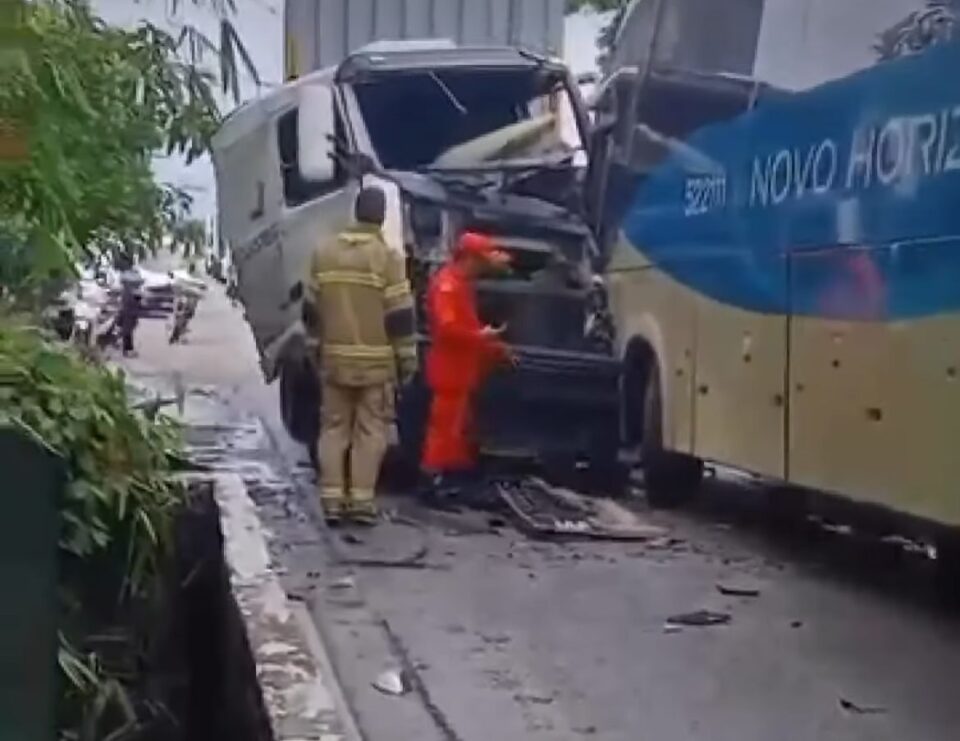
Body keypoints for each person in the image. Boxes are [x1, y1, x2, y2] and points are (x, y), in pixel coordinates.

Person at [304, 186, 417, 525]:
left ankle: (332, 501)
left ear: (355, 212)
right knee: (370, 432)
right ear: (381, 216)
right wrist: (407, 360)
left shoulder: (324, 252)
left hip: (334, 359)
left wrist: (313, 347)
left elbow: (311, 311)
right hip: (375, 365)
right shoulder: (388, 259)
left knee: (333, 428)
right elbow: (400, 316)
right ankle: (361, 503)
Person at [420, 231, 514, 509]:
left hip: (460, 372)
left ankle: (449, 485)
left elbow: (467, 327)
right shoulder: (448, 286)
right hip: (450, 372)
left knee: (456, 431)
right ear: (470, 259)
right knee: (444, 431)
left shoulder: (460, 285)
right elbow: (449, 330)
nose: (484, 268)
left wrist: (495, 348)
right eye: (482, 261)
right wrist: (483, 338)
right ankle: (431, 485)